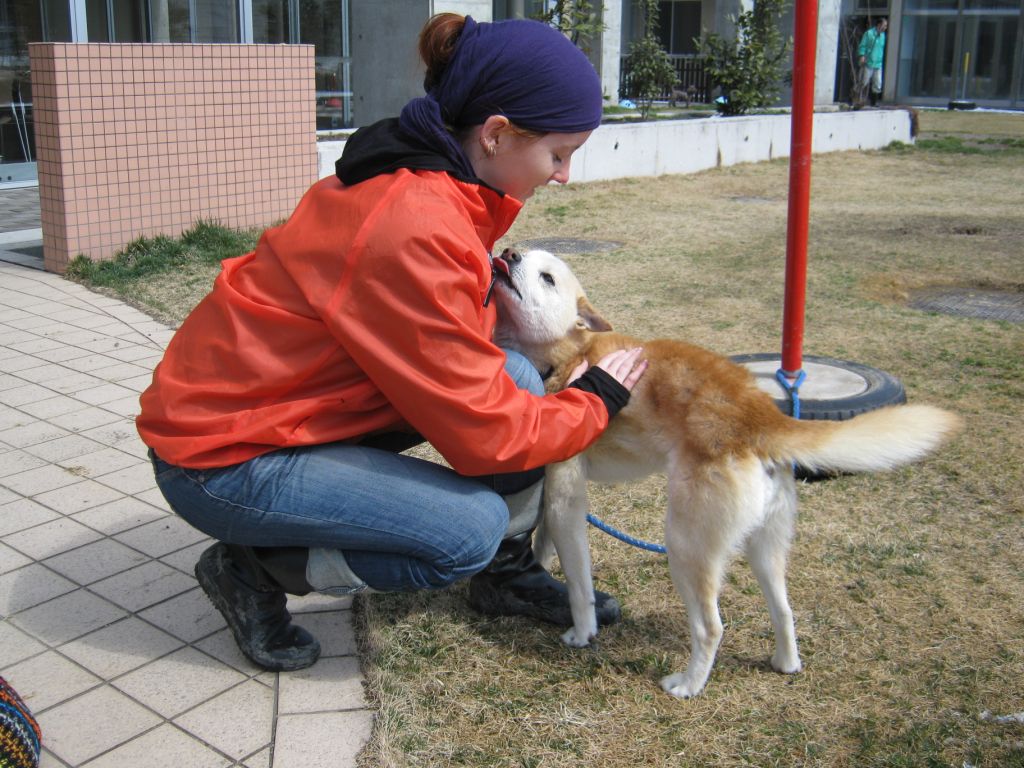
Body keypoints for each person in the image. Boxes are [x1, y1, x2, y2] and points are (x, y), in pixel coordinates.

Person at [137, 12, 648, 673]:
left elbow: (463, 373)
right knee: (464, 534)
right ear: (495, 134)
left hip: (281, 410)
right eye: (559, 154)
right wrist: (596, 399)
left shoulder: (431, 181)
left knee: (518, 380)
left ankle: (506, 578)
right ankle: (254, 569)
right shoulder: (416, 224)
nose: (564, 175)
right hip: (220, 459)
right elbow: (489, 434)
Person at [858, 18, 887, 107]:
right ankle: (860, 100)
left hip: (878, 63)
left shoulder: (883, 35)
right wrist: (862, 55)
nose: (885, 27)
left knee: (877, 83)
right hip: (868, 62)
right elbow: (862, 45)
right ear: (879, 25)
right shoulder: (869, 34)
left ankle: (874, 102)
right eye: (884, 25)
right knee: (864, 82)